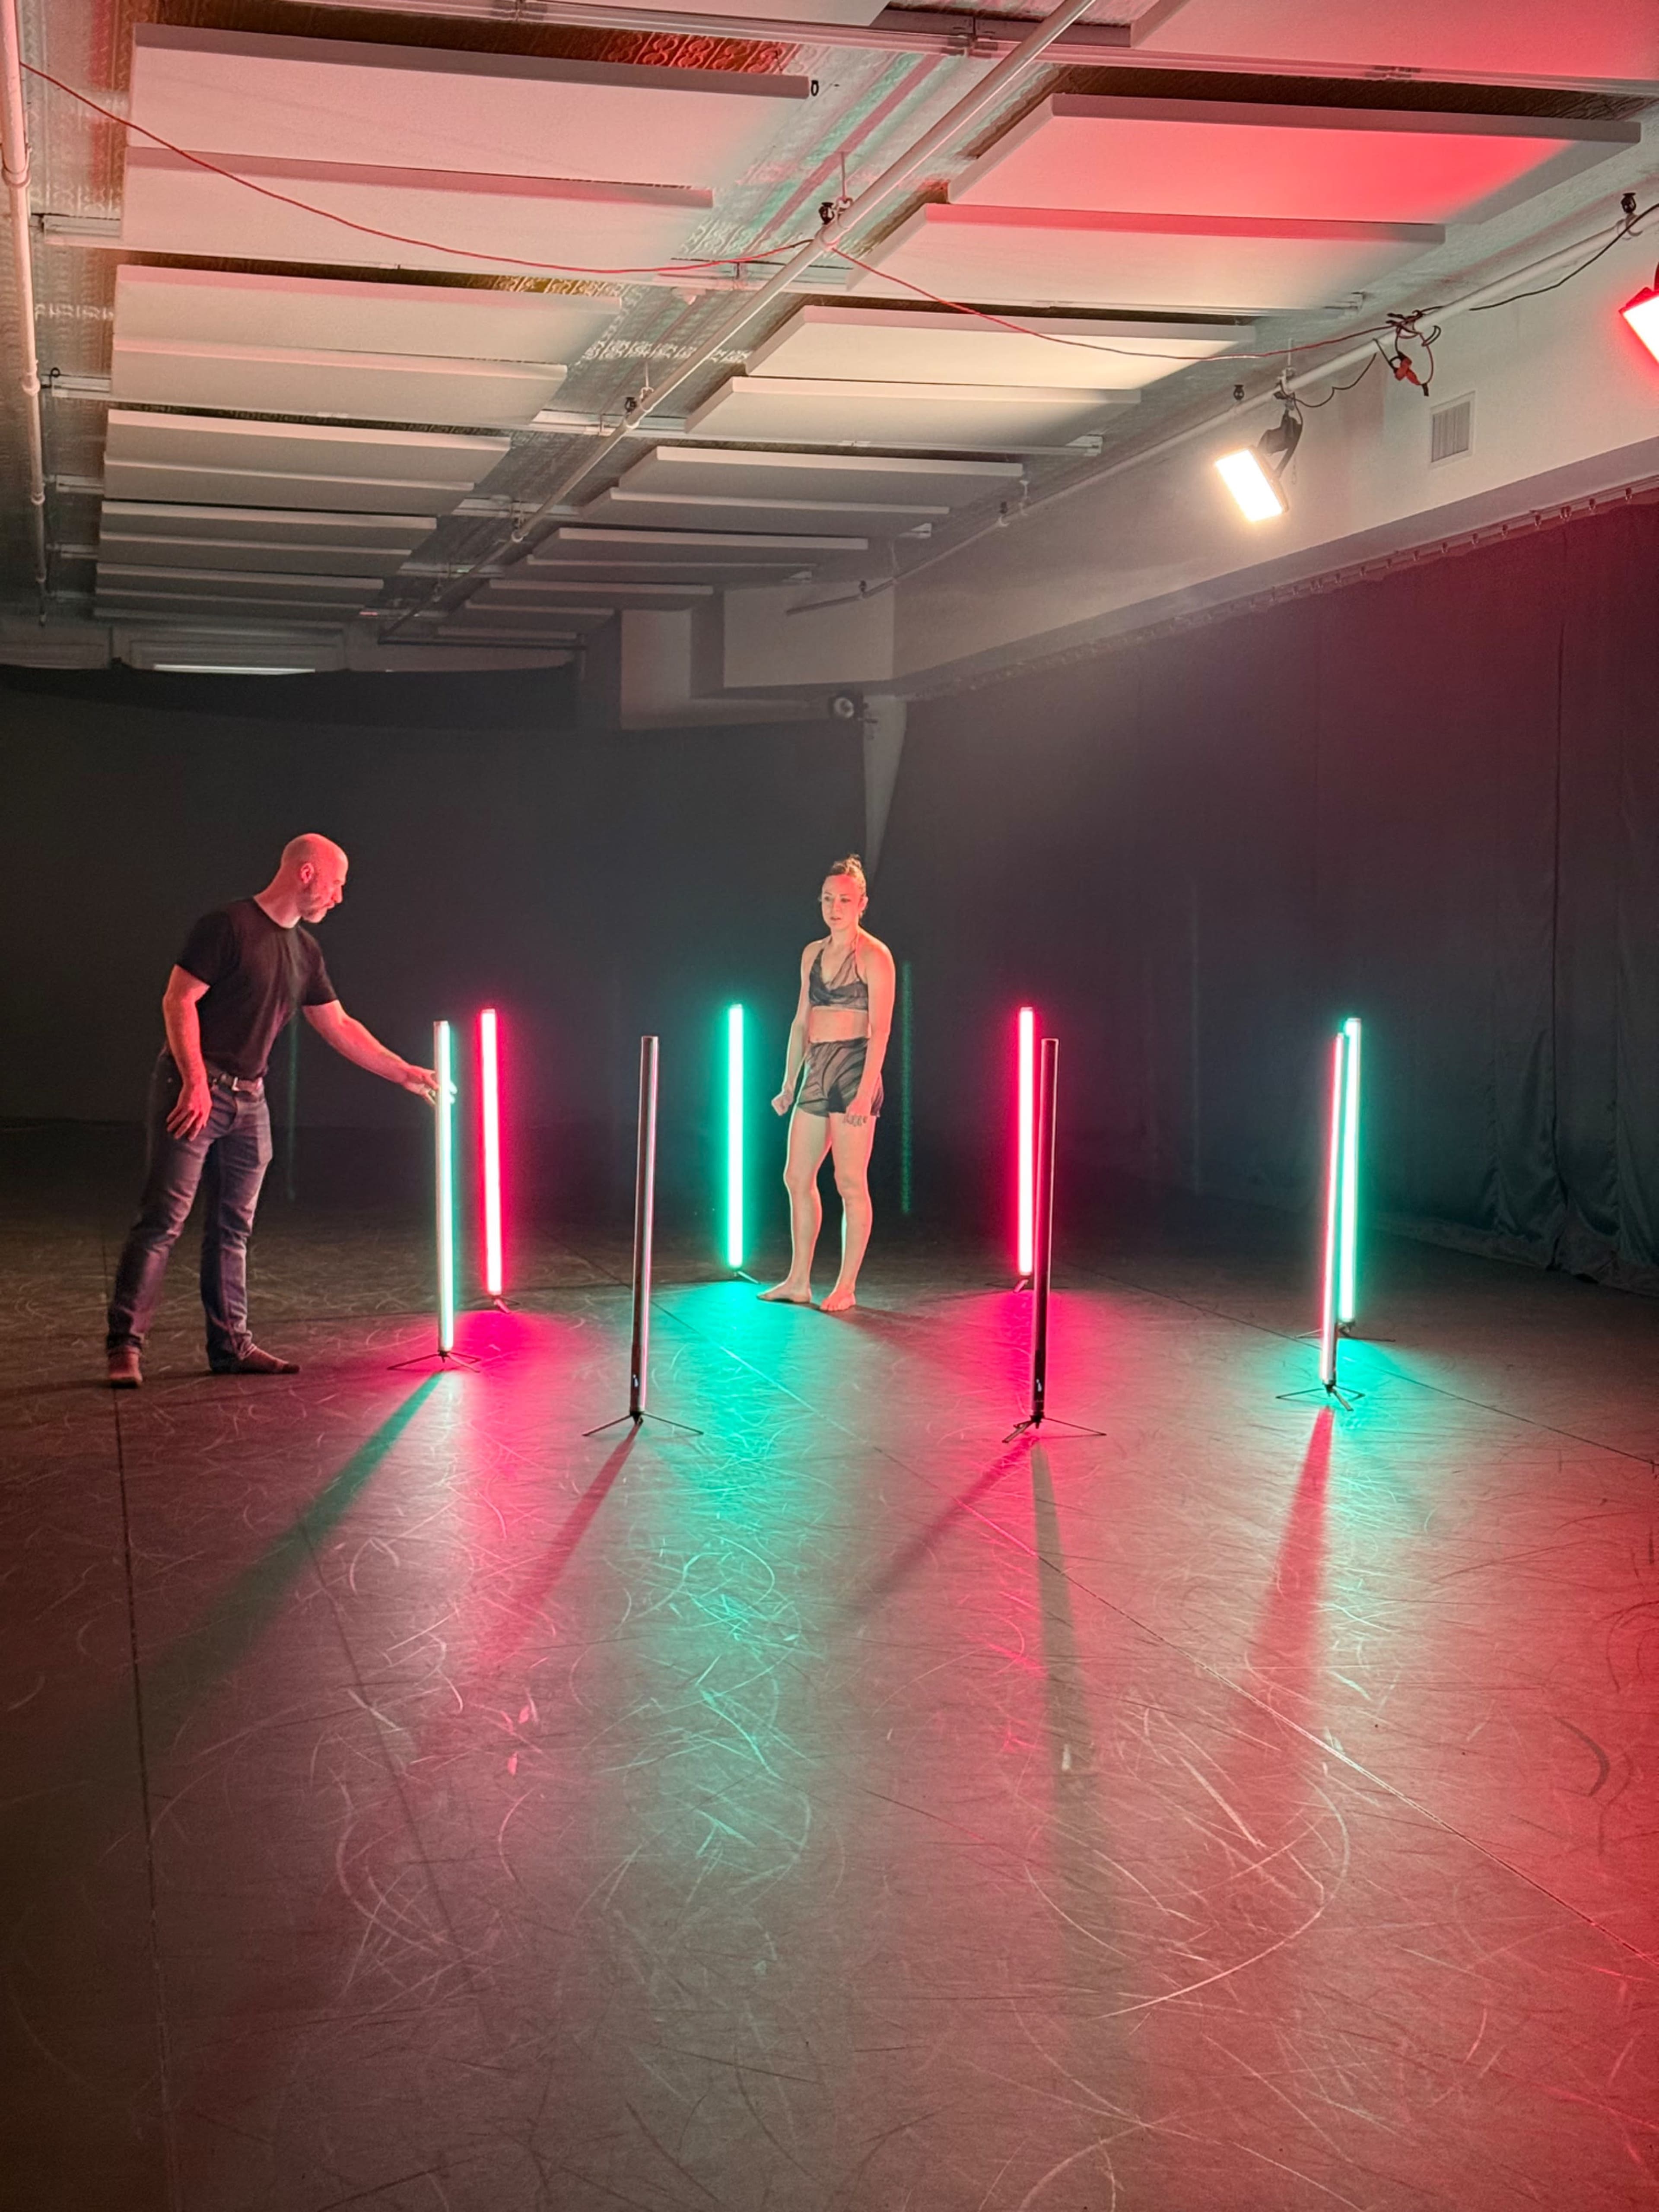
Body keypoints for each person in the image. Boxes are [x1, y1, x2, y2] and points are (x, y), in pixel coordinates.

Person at [105, 834, 437, 1387]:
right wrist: (194, 1082)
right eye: (336, 883)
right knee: (164, 1220)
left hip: (249, 1100)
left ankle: (231, 1346)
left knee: (233, 1228)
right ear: (306, 873)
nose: (339, 897)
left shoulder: (305, 951)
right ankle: (125, 1345)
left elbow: (338, 1024)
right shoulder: (228, 926)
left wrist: (402, 1070)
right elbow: (178, 999)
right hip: (194, 1089)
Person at [760, 855, 896, 1313]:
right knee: (796, 1175)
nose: (835, 908)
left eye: (844, 900)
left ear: (862, 904)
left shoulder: (874, 956)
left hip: (855, 1069)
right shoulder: (812, 954)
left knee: (849, 1181)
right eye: (827, 900)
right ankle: (799, 1279)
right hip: (817, 1067)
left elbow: (881, 1030)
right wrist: (789, 1082)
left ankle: (846, 1285)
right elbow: (801, 1022)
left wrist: (865, 1091)